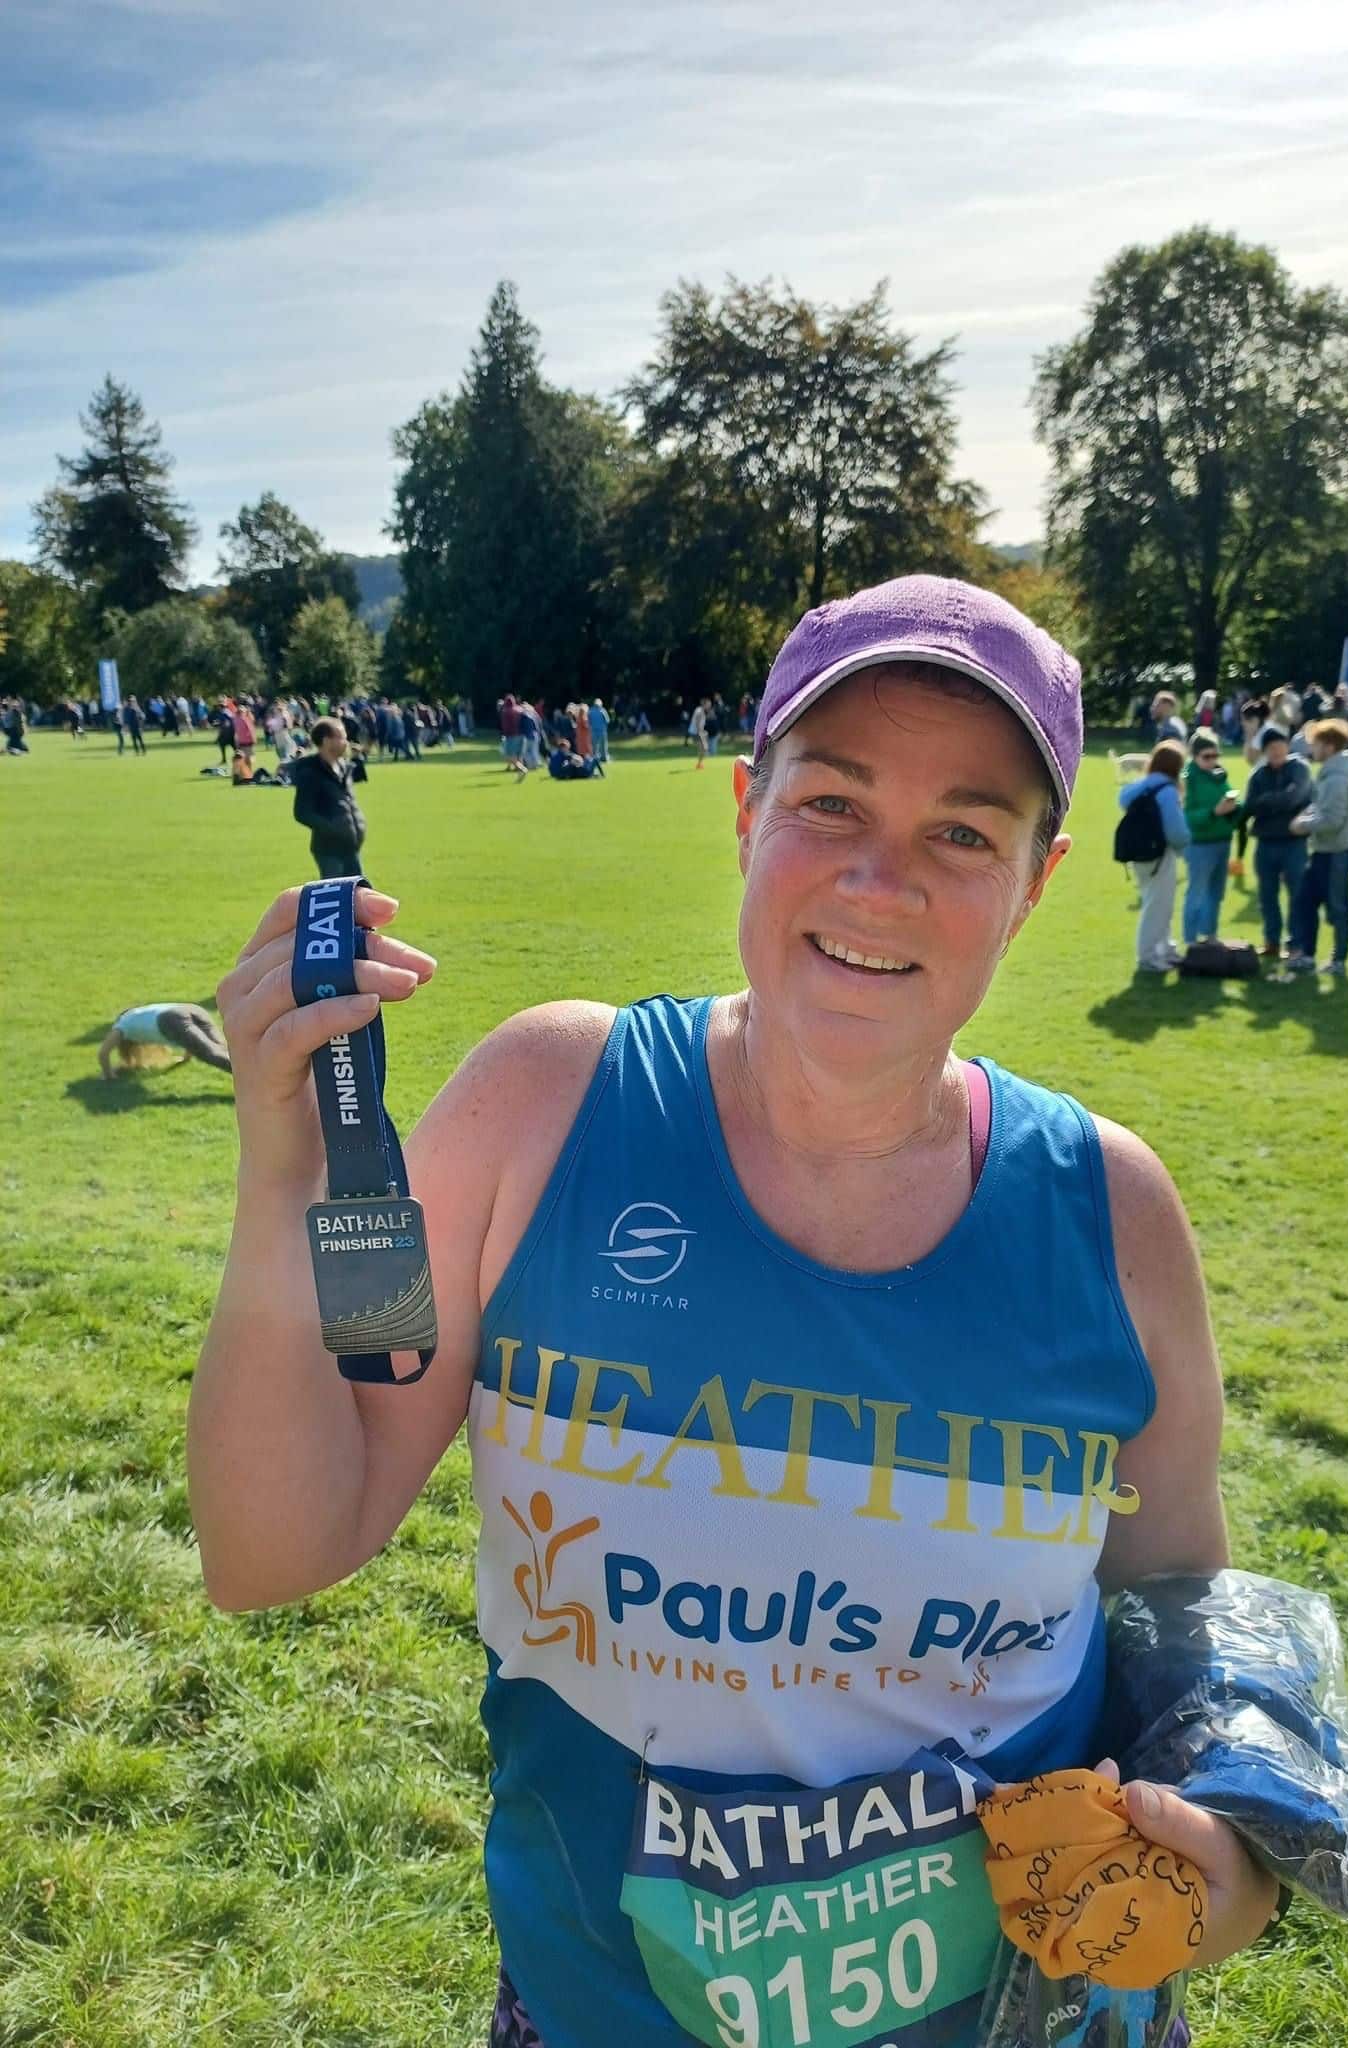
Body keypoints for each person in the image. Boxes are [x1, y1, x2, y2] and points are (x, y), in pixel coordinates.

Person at [191, 575, 1289, 2048]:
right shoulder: (538, 1109)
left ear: (1035, 882)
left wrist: (1231, 1863)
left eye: (963, 832)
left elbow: (1181, 1624)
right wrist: (289, 1181)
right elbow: (276, 1545)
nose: (880, 879)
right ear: (745, 805)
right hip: (604, 2014)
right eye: (830, 803)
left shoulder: (1117, 1216)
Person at [1291, 719, 1348, 975]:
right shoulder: (1329, 774)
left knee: (1338, 908)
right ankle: (1307, 956)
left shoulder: (1337, 779)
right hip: (1323, 853)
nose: (1312, 749)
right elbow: (1319, 807)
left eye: (1316, 744)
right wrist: (1306, 816)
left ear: (1329, 747)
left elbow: (1332, 819)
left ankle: (1338, 960)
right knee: (1305, 901)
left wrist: (1303, 825)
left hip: (1337, 854)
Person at [1240, 726, 1314, 960]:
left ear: (1288, 746)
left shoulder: (1300, 768)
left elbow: (1296, 796)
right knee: (1267, 895)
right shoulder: (1258, 775)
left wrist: (1268, 802)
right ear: (1264, 751)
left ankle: (1295, 944)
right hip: (1266, 842)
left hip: (1294, 842)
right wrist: (1278, 802)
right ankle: (1271, 941)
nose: (1277, 752)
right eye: (1272, 748)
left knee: (1297, 894)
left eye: (1281, 746)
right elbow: (1251, 805)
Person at [1118, 740, 1191, 971]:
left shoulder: (1140, 787)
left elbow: (1122, 798)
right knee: (1158, 907)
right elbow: (1176, 831)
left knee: (1157, 903)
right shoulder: (1167, 791)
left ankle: (1165, 950)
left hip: (1138, 854)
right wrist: (1185, 845)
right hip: (1160, 855)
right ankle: (1149, 956)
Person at [290, 717, 367, 878]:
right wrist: (332, 828)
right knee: (335, 897)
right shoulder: (310, 773)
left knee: (359, 897)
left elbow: (359, 779)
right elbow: (302, 812)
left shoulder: (343, 767)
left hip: (351, 847)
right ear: (326, 741)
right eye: (341, 737)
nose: (346, 742)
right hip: (330, 851)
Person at [1181, 733, 1240, 943]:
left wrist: (1235, 807)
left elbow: (1229, 795)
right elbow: (1187, 816)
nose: (1213, 761)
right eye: (1207, 757)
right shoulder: (1188, 779)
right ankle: (1190, 939)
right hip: (1199, 844)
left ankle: (1210, 935)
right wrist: (1214, 812)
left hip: (1222, 841)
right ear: (1195, 756)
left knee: (1216, 893)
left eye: (1216, 756)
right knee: (1196, 894)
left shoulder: (1218, 774)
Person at [99, 1002, 232, 1078]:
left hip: (171, 1018)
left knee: (213, 1055)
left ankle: (251, 1078)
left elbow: (103, 1053)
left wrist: (108, 1075)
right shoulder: (141, 1014)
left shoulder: (122, 1024)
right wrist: (186, 1058)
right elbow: (191, 1040)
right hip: (192, 1009)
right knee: (222, 1050)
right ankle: (250, 1069)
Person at [500, 696, 527, 777]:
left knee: (510, 755)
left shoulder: (506, 711)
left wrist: (504, 734)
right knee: (519, 755)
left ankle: (523, 769)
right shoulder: (520, 710)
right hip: (522, 735)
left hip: (511, 735)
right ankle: (520, 774)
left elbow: (505, 725)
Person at [587, 696, 610, 766]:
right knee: (603, 745)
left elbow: (588, 721)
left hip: (593, 731)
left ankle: (595, 758)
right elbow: (607, 720)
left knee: (594, 746)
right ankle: (604, 758)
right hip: (602, 731)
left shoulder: (590, 711)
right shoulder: (602, 710)